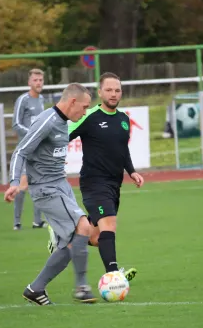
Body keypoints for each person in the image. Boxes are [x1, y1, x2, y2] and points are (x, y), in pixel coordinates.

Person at [4, 83, 95, 306]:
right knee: (83, 227)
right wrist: (15, 182)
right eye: (84, 107)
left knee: (74, 242)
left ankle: (35, 289)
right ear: (72, 101)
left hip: (60, 185)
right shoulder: (47, 121)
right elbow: (20, 151)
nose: (84, 113)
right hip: (46, 189)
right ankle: (82, 288)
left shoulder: (63, 121)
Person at [47, 72, 143, 282]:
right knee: (110, 225)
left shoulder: (124, 119)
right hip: (94, 183)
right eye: (108, 90)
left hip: (114, 184)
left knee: (97, 237)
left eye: (117, 90)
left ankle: (63, 235)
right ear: (100, 92)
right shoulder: (90, 117)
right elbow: (61, 136)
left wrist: (132, 170)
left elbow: (122, 150)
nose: (113, 94)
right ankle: (114, 275)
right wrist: (53, 158)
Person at [11, 69, 46, 231]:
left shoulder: (41, 99)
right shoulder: (23, 100)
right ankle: (17, 222)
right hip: (26, 149)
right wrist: (33, 135)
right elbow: (16, 124)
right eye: (35, 80)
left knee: (40, 184)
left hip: (39, 151)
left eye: (40, 80)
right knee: (22, 186)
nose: (38, 83)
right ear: (29, 82)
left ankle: (37, 221)